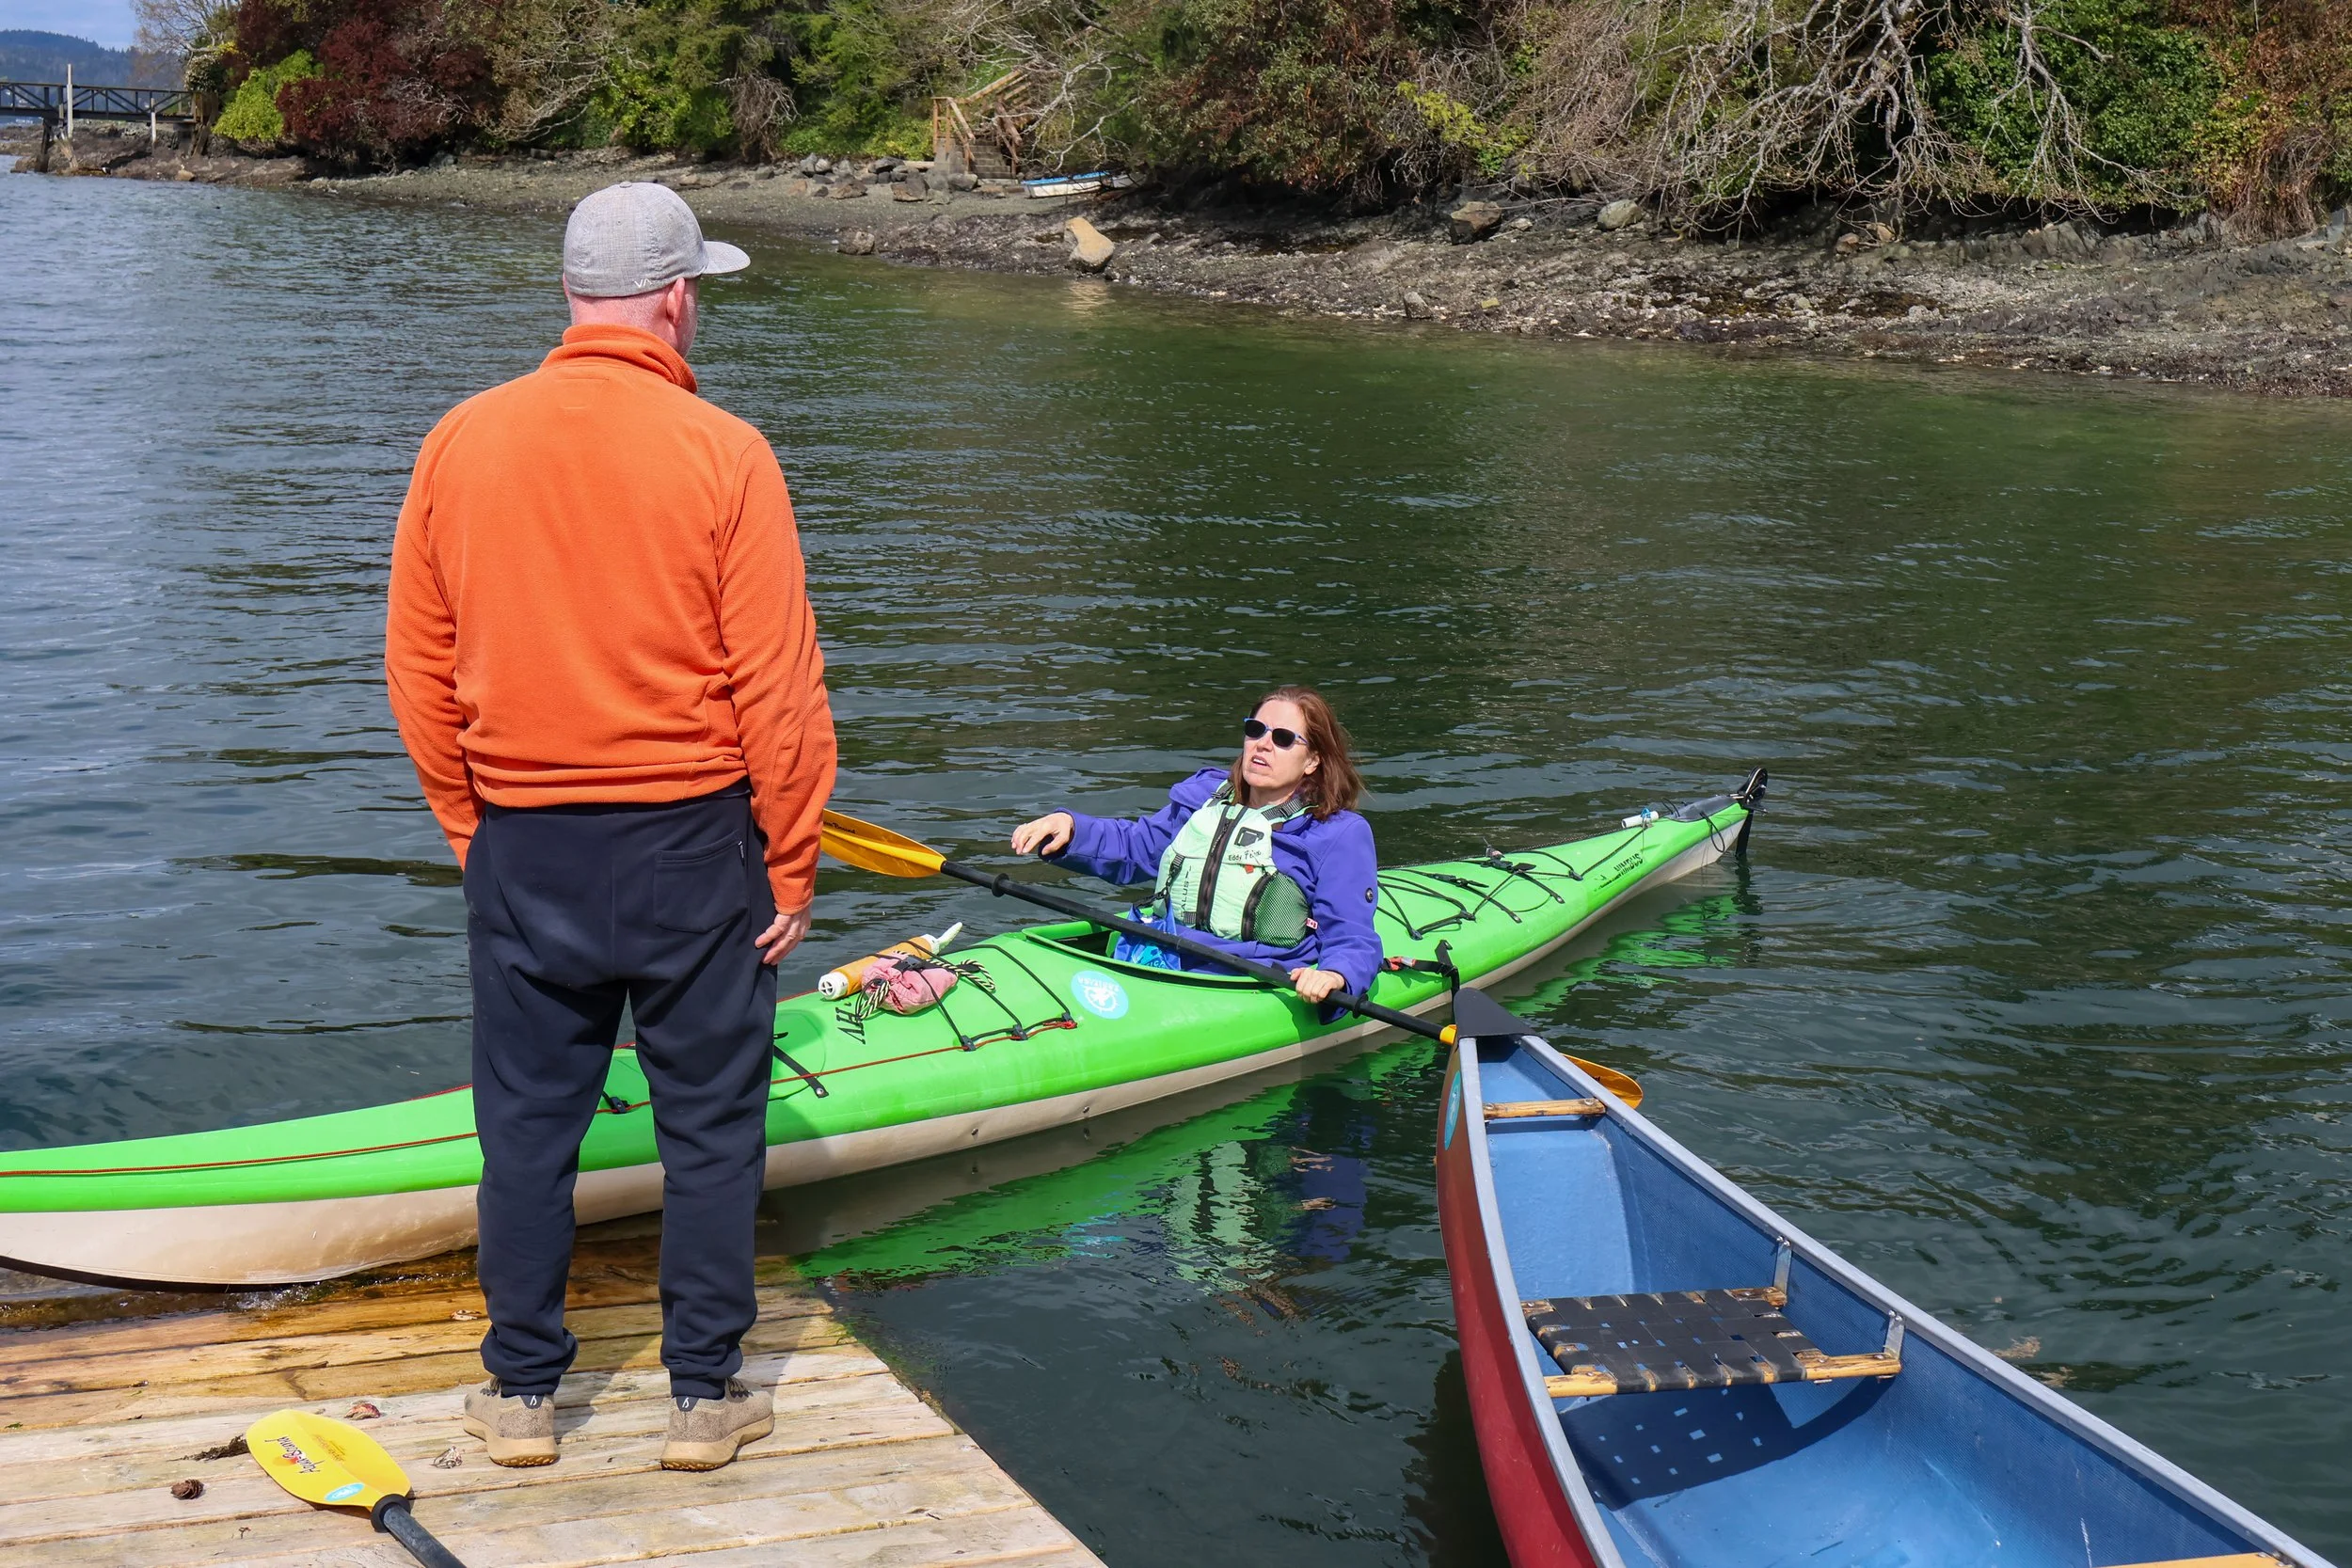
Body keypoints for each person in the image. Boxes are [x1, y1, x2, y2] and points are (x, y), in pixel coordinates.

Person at [385, 182, 836, 1474]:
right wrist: (791, 859)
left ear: (573, 294)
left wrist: (471, 827)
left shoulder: (459, 440)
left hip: (525, 841)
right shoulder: (726, 452)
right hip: (694, 844)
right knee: (710, 1127)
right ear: (678, 298)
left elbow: (416, 667)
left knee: (527, 1129)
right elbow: (780, 689)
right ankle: (704, 1395)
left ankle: (522, 1391)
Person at [1009, 687, 1380, 1003]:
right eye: (1255, 731)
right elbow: (1138, 849)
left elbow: (1351, 935)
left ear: (1312, 760)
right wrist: (1072, 829)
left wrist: (1336, 975)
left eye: (1282, 738)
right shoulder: (1203, 798)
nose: (1263, 745)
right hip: (1159, 953)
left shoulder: (1334, 834)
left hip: (1244, 978)